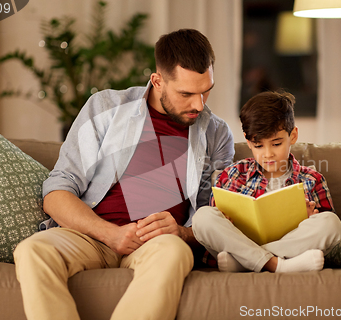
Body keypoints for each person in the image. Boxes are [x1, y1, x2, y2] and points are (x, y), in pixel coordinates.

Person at [13, 29, 234, 320]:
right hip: (91, 236)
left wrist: (182, 232)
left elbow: (216, 215)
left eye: (206, 90)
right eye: (186, 93)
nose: (199, 105)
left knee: (174, 252)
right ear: (157, 81)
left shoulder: (216, 133)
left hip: (157, 244)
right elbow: (56, 192)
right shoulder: (106, 107)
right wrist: (110, 234)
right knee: (32, 251)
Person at [192, 90, 341, 273]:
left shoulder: (313, 180)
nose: (268, 153)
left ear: (293, 136)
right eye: (259, 146)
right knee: (202, 217)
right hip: (242, 241)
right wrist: (226, 222)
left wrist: (310, 217)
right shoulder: (232, 175)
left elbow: (325, 232)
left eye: (276, 144)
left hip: (262, 249)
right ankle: (279, 265)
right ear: (248, 142)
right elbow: (217, 223)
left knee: (331, 223)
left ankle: (245, 262)